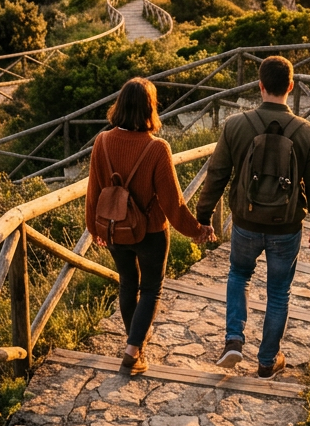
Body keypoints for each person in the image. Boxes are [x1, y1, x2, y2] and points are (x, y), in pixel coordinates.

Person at [195, 55, 310, 378]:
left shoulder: (235, 126)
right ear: (291, 87)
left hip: (245, 223)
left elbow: (216, 175)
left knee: (239, 275)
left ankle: (233, 340)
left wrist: (204, 215)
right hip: (287, 227)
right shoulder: (308, 133)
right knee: (279, 291)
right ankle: (268, 361)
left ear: (260, 85)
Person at [86, 77, 215, 375]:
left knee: (128, 285)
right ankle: (132, 351)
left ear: (120, 105)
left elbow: (94, 191)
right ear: (150, 108)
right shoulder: (157, 149)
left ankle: (136, 345)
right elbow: (173, 204)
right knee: (151, 289)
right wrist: (197, 229)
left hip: (114, 229)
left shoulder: (102, 141)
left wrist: (95, 229)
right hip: (151, 232)